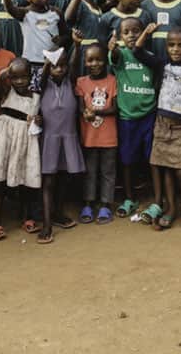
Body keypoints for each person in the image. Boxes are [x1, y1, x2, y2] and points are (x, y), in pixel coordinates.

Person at [147, 28, 181, 230]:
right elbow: (138, 52)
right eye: (171, 45)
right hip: (163, 123)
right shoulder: (163, 64)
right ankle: (170, 208)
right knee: (166, 168)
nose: (176, 49)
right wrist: (146, 32)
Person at [0, 58, 41, 241]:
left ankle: (26, 217)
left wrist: (39, 120)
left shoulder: (37, 96)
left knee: (25, 177)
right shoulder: (7, 91)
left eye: (24, 77)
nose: (20, 82)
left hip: (26, 140)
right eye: (15, 77)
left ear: (31, 76)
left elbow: (39, 117)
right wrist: (7, 71)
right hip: (4, 137)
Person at [109, 18, 158, 219]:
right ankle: (130, 198)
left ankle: (158, 199)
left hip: (149, 115)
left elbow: (156, 82)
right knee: (127, 160)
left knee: (153, 160)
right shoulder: (120, 56)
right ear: (120, 37)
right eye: (126, 32)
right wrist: (112, 48)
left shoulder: (150, 57)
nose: (132, 35)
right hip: (127, 117)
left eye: (136, 31)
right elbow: (113, 56)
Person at [36, 48, 85, 243]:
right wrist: (47, 65)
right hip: (49, 139)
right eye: (55, 66)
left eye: (62, 66)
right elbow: (39, 82)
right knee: (48, 182)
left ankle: (58, 213)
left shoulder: (70, 82)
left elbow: (73, 65)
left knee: (64, 178)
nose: (60, 69)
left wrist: (76, 44)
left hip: (68, 137)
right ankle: (46, 224)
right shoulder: (42, 84)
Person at [74, 37, 118, 224]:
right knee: (90, 171)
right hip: (89, 138)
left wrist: (97, 111)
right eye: (90, 60)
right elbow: (79, 108)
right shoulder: (81, 82)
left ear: (106, 60)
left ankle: (106, 205)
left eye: (99, 59)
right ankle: (88, 203)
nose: (95, 64)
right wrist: (86, 112)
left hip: (109, 138)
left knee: (108, 171)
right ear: (85, 62)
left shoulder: (113, 80)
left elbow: (115, 108)